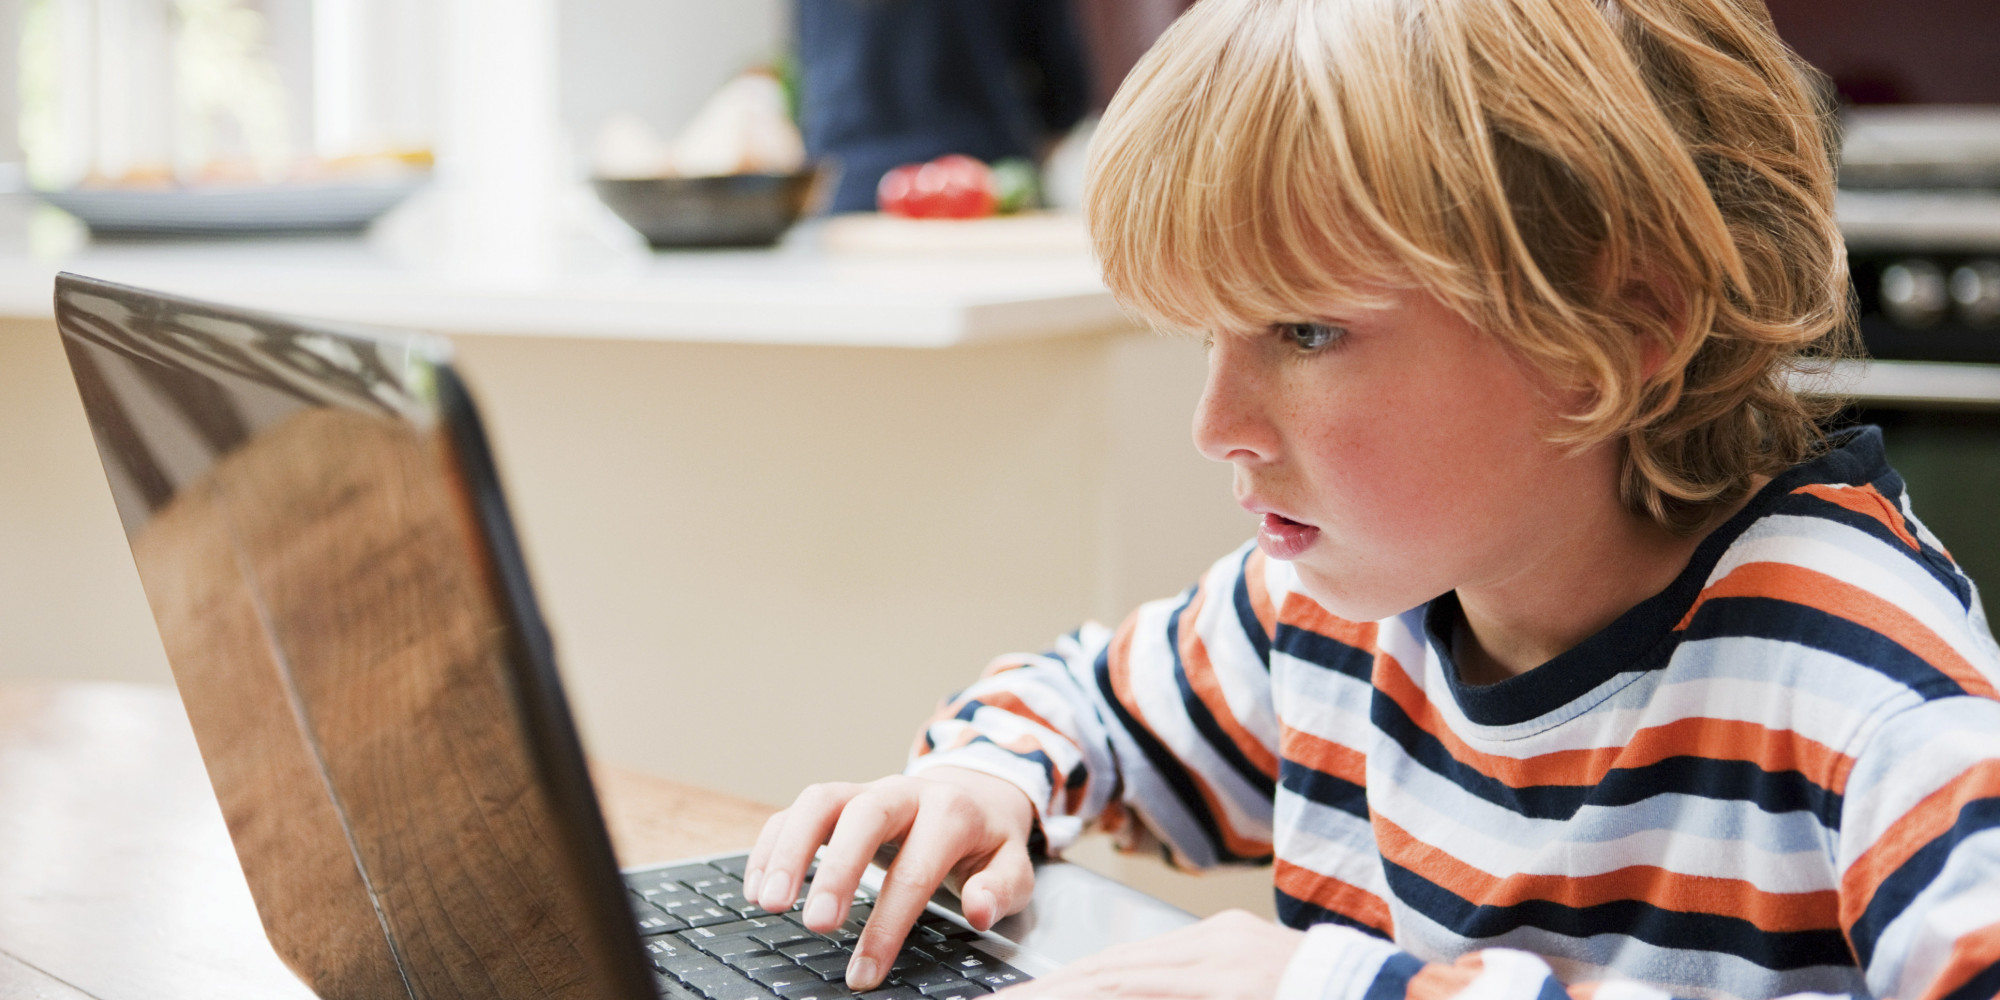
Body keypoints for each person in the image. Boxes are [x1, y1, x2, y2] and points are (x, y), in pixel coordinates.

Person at [747, 0, 2000, 997]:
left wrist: (1345, 985)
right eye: (1204, 338)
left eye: (1303, 330)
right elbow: (1086, 704)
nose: (1214, 427)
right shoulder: (1329, 606)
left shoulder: (1866, 685)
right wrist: (985, 782)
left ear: (1617, 330)